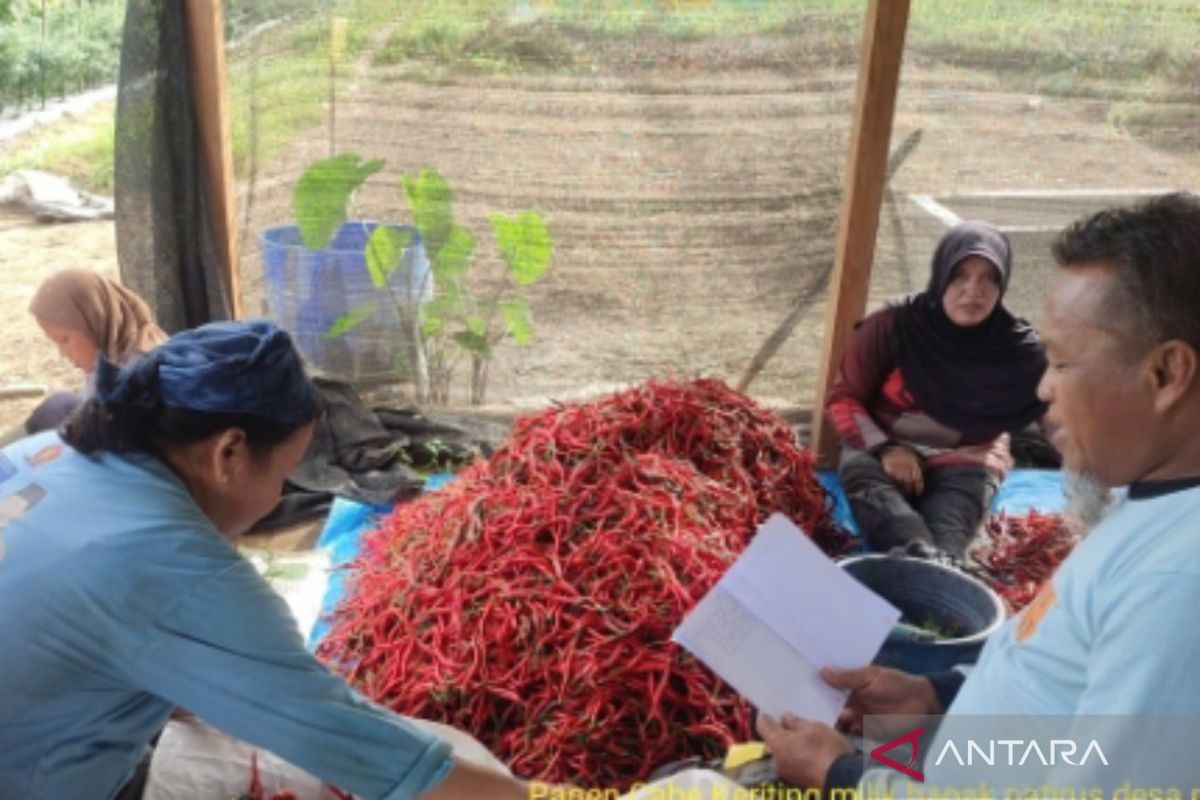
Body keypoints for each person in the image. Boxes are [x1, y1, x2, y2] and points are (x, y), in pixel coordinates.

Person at [748, 191, 1200, 791]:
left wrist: (845, 776)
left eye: (1063, 364)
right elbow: (1062, 702)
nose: (1042, 389)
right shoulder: (1149, 504)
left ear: (1166, 374)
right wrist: (937, 697)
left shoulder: (1175, 589)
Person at [0, 320, 538, 800]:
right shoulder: (173, 569)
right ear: (228, 453)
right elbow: (391, 764)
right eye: (286, 473)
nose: (282, 496)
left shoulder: (42, 451)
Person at [825, 221, 1047, 561]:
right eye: (960, 275)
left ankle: (935, 567)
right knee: (885, 511)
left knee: (949, 538)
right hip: (881, 446)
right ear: (941, 274)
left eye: (989, 277)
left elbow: (1061, 412)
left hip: (966, 457)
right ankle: (920, 558)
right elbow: (844, 397)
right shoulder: (894, 325)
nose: (974, 290)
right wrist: (887, 449)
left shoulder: (1017, 348)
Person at [25, 268, 167, 434]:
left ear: (93, 322)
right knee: (56, 405)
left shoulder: (142, 370)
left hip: (137, 447)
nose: (62, 353)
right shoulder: (106, 350)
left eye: (65, 340)